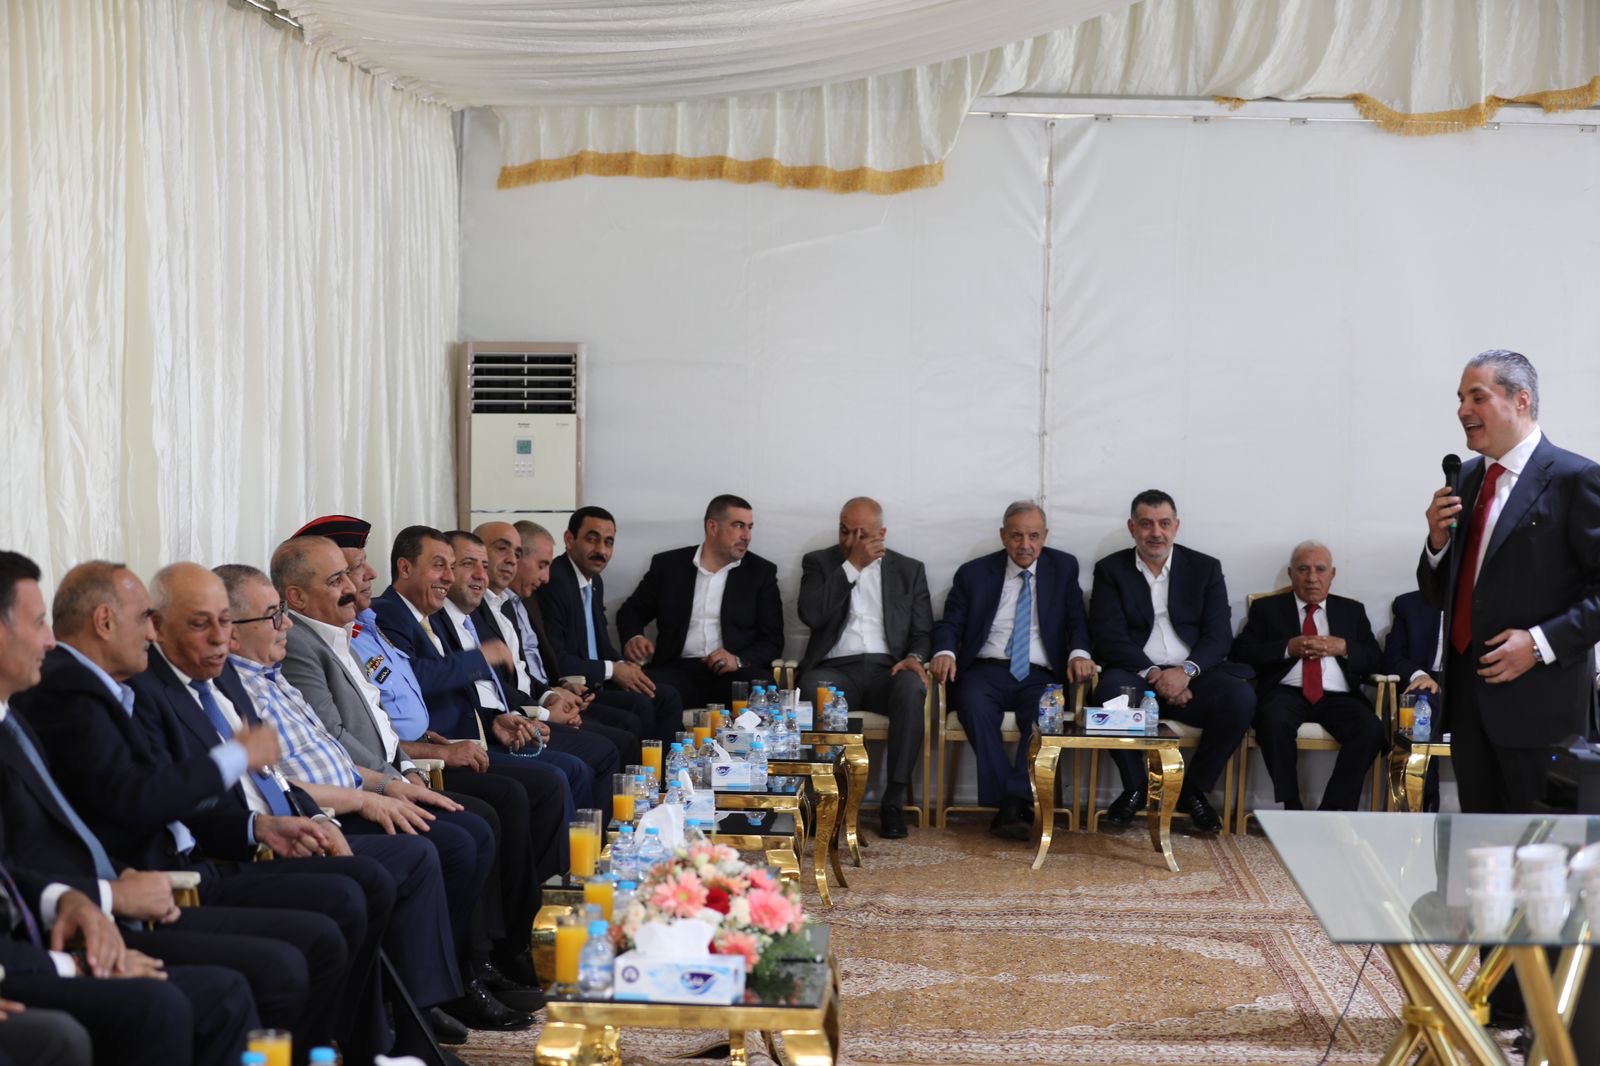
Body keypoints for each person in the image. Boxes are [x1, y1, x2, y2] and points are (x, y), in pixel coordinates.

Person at [126, 562, 456, 1063]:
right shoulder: (152, 693)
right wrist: (260, 825)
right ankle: (354, 1044)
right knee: (359, 887)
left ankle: (380, 1040)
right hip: (219, 856)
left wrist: (312, 818)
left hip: (283, 825)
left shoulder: (222, 678)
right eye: (200, 624)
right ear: (157, 626)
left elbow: (274, 778)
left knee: (376, 876)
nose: (218, 638)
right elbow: (180, 799)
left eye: (223, 622)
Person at [218, 561, 532, 1033]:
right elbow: (277, 783)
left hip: (365, 783)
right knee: (448, 842)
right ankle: (422, 1004)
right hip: (321, 813)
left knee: (474, 823)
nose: (359, 579)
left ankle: (459, 975)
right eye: (273, 615)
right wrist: (375, 793)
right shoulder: (253, 678)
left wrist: (392, 782)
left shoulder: (276, 672)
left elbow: (353, 735)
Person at [0, 551, 256, 1065]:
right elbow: (130, 801)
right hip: (45, 939)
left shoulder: (14, 721)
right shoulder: (64, 690)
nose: (49, 641)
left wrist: (71, 898)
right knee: (174, 1001)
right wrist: (98, 905)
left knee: (229, 989)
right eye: (38, 623)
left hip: (89, 904)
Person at [292, 516, 555, 992]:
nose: (363, 579)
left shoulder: (360, 628)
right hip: (362, 786)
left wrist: (427, 752)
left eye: (357, 569)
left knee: (498, 809)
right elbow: (338, 736)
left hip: (412, 760)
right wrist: (402, 773)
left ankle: (486, 959)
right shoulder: (317, 640)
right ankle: (460, 976)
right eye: (345, 574)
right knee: (477, 823)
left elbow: (387, 712)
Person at [1419, 348, 1600, 814]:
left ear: (1521, 400)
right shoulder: (1466, 479)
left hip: (1542, 708)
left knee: (1541, 843)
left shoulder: (1575, 478)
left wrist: (1539, 644)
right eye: (1460, 398)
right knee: (1476, 842)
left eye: (1477, 397)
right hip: (1470, 703)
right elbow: (1439, 595)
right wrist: (1436, 544)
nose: (1463, 410)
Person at [372, 526, 581, 877]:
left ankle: (556, 884)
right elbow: (413, 679)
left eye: (452, 566)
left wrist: (495, 720)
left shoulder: (429, 615)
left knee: (559, 774)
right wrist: (479, 659)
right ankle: (543, 895)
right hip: (433, 754)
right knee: (539, 785)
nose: (448, 577)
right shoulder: (387, 613)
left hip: (472, 739)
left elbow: (455, 689)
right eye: (440, 565)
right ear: (405, 568)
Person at [1090, 490, 1255, 834]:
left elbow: (1218, 635)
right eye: (1146, 524)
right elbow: (1108, 635)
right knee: (1108, 696)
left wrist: (1185, 672)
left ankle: (1192, 790)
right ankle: (1136, 787)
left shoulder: (1205, 568)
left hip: (1194, 675)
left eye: (1164, 524)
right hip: (1137, 674)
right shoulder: (1110, 570)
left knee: (1240, 698)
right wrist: (1155, 674)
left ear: (1176, 527)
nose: (1156, 533)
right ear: (1132, 527)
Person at [930, 501, 1095, 840]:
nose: (1025, 545)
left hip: (1039, 672)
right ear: (1003, 536)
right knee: (973, 707)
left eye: (1033, 536)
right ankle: (1016, 800)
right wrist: (944, 652)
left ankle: (1011, 801)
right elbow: (951, 623)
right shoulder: (974, 573)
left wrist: (1079, 653)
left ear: (1045, 536)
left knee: (1043, 714)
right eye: (1017, 536)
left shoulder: (1063, 568)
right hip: (985, 670)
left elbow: (1077, 620)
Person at [795, 497, 931, 839]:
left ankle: (893, 801)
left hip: (889, 670)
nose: (851, 541)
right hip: (837, 669)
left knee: (912, 688)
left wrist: (914, 657)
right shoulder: (819, 563)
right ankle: (825, 798)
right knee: (814, 688)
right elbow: (812, 615)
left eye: (861, 534)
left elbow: (923, 631)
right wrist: (852, 566)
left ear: (881, 534)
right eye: (845, 531)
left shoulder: (909, 570)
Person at [1231, 541, 1386, 811]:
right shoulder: (1267, 609)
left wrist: (1344, 647)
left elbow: (1376, 658)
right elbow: (1241, 653)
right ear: (1291, 573)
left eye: (1320, 569)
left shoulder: (1352, 611)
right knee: (1272, 720)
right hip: (1285, 692)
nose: (1312, 578)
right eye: (1303, 569)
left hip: (1338, 695)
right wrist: (1286, 648)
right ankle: (1292, 805)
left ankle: (1331, 811)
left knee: (1371, 729)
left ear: (1332, 574)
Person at [471, 522, 641, 767]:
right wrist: (547, 709)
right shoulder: (475, 609)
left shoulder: (506, 604)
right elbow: (498, 684)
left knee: (632, 721)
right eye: (501, 549)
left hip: (536, 705)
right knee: (605, 749)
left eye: (516, 553)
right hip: (513, 719)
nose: (511, 560)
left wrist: (552, 695)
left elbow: (524, 672)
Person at [617, 495, 784, 710]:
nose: (747, 536)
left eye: (750, 527)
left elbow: (772, 640)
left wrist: (738, 660)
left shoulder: (760, 573)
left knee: (761, 686)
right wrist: (634, 637)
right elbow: (631, 611)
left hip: (733, 671)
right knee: (641, 689)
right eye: (738, 526)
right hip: (676, 669)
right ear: (712, 527)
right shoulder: (668, 566)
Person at [537, 507, 684, 744]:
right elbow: (556, 659)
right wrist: (613, 670)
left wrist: (625, 666)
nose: (601, 550)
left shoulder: (595, 582)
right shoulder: (554, 582)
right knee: (641, 706)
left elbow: (601, 645)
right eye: (592, 539)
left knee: (667, 696)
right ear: (569, 539)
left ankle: (667, 766)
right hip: (574, 687)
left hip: (596, 680)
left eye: (608, 542)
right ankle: (644, 767)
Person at [1383, 589, 1445, 811]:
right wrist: (1420, 676)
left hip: (1472, 688)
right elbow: (1392, 657)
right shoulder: (1408, 605)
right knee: (1419, 710)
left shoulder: (1488, 601)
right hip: (1425, 684)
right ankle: (1421, 806)